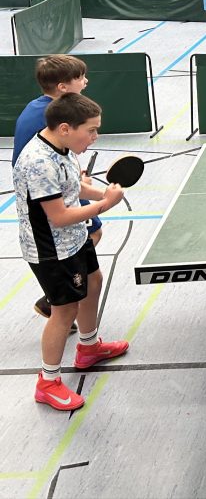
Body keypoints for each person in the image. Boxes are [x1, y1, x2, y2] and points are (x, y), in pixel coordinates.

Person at [13, 93, 130, 411]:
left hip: (74, 238)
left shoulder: (62, 147)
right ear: (65, 128)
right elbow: (60, 216)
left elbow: (74, 187)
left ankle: (88, 348)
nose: (96, 136)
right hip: (51, 249)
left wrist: (102, 192)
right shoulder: (38, 163)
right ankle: (47, 382)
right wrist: (105, 204)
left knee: (94, 281)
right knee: (63, 311)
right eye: (91, 130)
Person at [13, 55, 101, 334]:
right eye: (80, 78)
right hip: (49, 198)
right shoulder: (48, 118)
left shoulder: (42, 108)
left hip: (60, 184)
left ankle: (66, 299)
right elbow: (37, 167)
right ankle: (56, 296)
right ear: (62, 87)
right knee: (94, 234)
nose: (85, 81)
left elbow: (60, 154)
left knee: (93, 268)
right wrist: (102, 201)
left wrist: (73, 174)